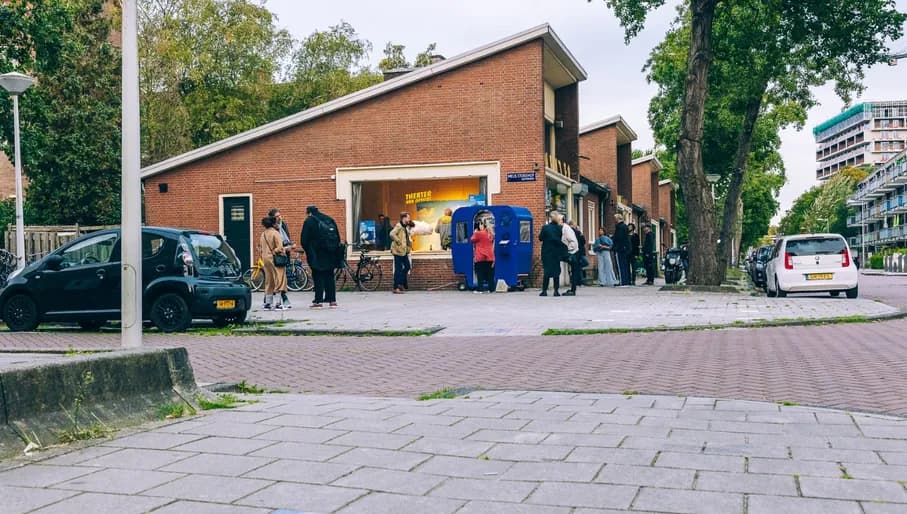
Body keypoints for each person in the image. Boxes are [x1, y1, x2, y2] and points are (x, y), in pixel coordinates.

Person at [300, 205, 340, 308]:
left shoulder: (309, 221)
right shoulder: (329, 219)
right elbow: (337, 237)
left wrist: (309, 251)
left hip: (316, 254)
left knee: (318, 276)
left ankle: (318, 301)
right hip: (330, 253)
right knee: (330, 276)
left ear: (309, 213)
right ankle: (332, 301)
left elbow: (304, 240)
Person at [259, 216, 288, 310]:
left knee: (269, 280)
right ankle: (278, 303)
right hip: (274, 259)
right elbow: (279, 247)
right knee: (279, 279)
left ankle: (268, 303)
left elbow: (260, 247)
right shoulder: (275, 233)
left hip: (265, 258)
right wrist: (284, 249)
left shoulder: (263, 234)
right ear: (273, 224)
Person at [268, 208, 294, 308]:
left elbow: (287, 237)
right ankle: (282, 299)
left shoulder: (283, 225)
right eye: (277, 216)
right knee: (278, 279)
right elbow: (275, 244)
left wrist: (290, 246)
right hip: (276, 256)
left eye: (280, 215)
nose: (279, 217)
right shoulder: (271, 229)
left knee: (280, 279)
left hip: (284, 255)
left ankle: (269, 301)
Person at [538, 211, 567, 297]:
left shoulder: (545, 228)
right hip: (556, 252)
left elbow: (540, 238)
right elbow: (561, 239)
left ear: (550, 218)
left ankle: (544, 290)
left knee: (546, 271)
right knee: (556, 272)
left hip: (546, 252)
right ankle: (556, 291)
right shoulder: (559, 228)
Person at [390, 212, 413, 294]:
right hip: (398, 251)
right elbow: (392, 234)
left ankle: (401, 283)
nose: (409, 219)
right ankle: (396, 287)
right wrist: (399, 242)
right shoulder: (399, 226)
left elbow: (406, 238)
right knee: (398, 269)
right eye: (408, 218)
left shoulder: (405, 227)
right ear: (404, 218)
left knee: (407, 266)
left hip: (404, 251)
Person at [470, 220, 495, 293]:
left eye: (480, 225)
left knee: (480, 273)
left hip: (481, 256)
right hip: (490, 256)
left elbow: (472, 240)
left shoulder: (479, 233)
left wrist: (474, 232)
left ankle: (480, 289)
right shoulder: (490, 234)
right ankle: (491, 289)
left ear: (482, 225)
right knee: (490, 274)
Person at [564, 219, 585, 296]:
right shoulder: (578, 232)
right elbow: (583, 241)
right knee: (575, 269)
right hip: (578, 253)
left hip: (571, 252)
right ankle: (575, 285)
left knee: (572, 269)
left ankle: (573, 286)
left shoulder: (569, 232)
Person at [613, 214, 631, 286]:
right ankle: (625, 281)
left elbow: (619, 238)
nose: (614, 220)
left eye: (615, 219)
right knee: (624, 265)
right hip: (625, 248)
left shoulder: (619, 227)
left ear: (617, 219)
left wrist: (615, 245)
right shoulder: (625, 226)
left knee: (620, 265)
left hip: (620, 249)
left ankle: (622, 281)